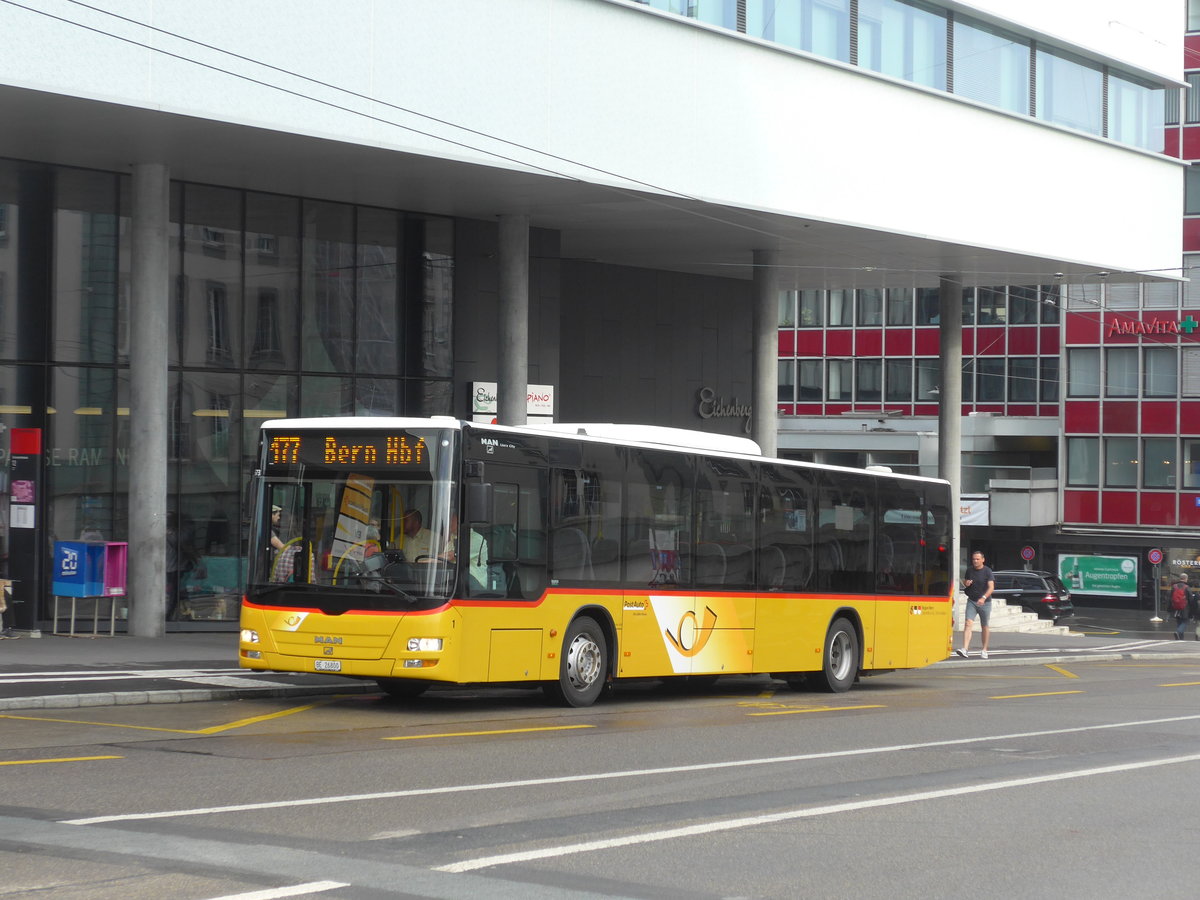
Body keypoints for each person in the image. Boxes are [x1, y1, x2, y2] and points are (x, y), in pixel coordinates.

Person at [955, 550, 994, 660]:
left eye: (977, 559)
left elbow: (991, 587)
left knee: (984, 626)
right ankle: (965, 649)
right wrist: (966, 583)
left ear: (983, 560)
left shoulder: (987, 571)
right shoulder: (969, 570)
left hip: (985, 602)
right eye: (973, 559)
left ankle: (984, 650)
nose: (975, 561)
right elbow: (966, 583)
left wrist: (983, 597)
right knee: (968, 623)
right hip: (972, 601)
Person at [1169, 572, 1191, 640]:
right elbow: (1190, 598)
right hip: (1184, 608)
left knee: (1179, 621)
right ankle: (1178, 632)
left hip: (1175, 607)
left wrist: (1169, 608)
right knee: (1185, 621)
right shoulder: (1187, 587)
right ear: (1185, 579)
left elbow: (1170, 597)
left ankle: (1180, 638)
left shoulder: (1174, 586)